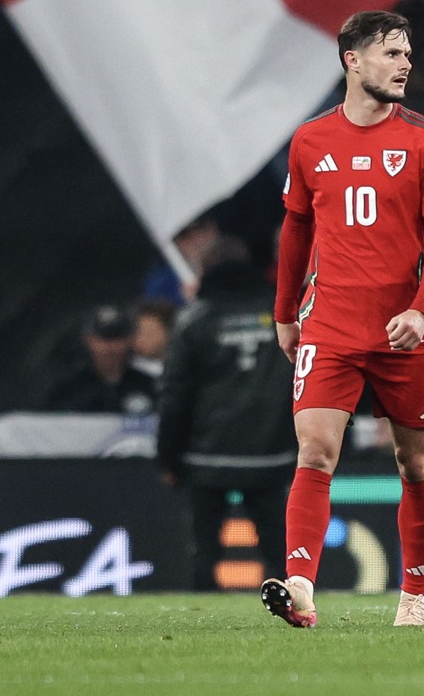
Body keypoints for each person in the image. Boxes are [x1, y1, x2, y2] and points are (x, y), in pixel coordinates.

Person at [261, 11, 424, 629]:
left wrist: (422, 309)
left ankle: (415, 598)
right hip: (332, 323)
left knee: (415, 464)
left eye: (407, 53)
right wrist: (285, 311)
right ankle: (300, 588)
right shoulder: (310, 141)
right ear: (352, 60)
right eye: (391, 53)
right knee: (315, 451)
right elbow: (297, 229)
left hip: (404, 324)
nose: (405, 64)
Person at [156, 236, 297, 591]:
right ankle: (294, 613)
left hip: (207, 455)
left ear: (205, 271)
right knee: (280, 551)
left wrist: (168, 459)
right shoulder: (284, 316)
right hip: (271, 452)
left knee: (204, 550)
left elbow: (174, 395)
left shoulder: (195, 322)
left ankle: (202, 624)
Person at [46, 304, 158, 414]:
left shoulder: (150, 386)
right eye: (103, 339)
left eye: (117, 338)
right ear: (89, 340)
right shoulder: (69, 390)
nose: (110, 347)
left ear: (130, 340)